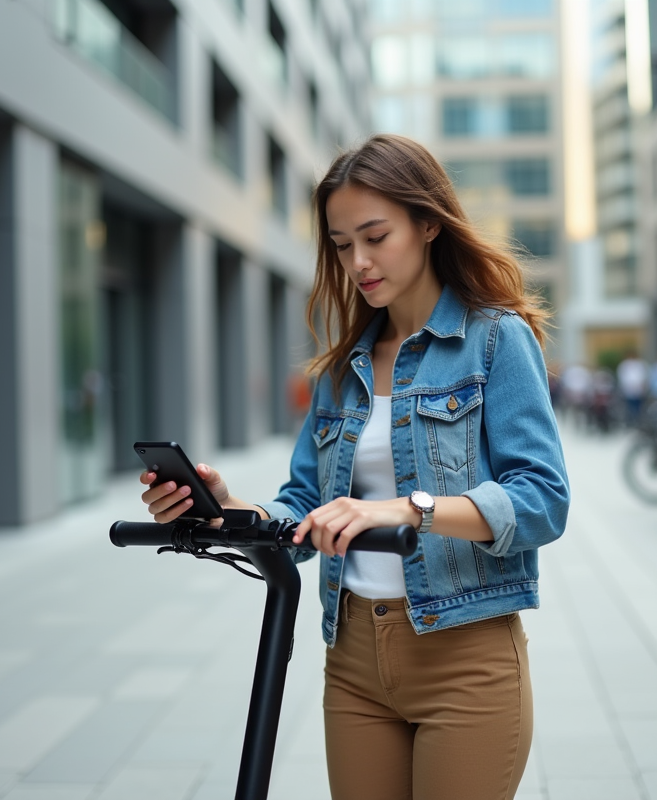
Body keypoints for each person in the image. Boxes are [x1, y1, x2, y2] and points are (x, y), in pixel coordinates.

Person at [139, 134, 570, 800]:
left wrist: (410, 508)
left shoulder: (494, 339)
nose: (358, 262)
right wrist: (226, 511)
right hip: (354, 661)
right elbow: (304, 501)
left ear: (428, 223)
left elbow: (543, 500)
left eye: (375, 236)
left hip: (465, 655)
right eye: (341, 245)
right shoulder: (343, 372)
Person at [616, 349, 649, 426]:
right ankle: (631, 420)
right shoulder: (624, 365)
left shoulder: (640, 364)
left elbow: (644, 376)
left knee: (639, 405)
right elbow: (622, 378)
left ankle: (638, 419)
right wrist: (629, 385)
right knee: (630, 405)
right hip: (629, 388)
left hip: (639, 389)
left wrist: (641, 385)